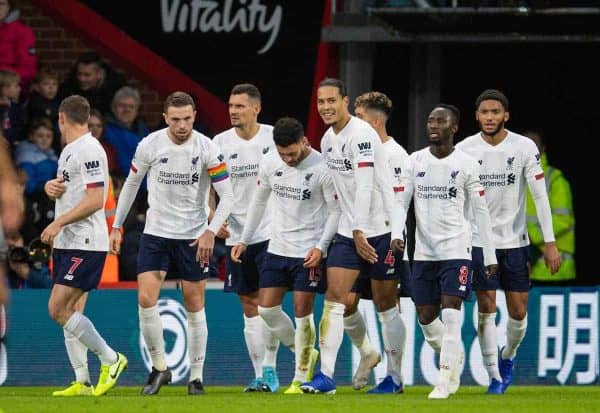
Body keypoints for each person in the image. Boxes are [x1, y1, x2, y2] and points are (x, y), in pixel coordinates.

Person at [109, 91, 234, 395]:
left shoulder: (207, 147)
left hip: (193, 237)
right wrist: (116, 225)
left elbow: (228, 195)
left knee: (194, 305)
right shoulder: (149, 144)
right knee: (146, 299)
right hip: (156, 234)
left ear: (194, 116)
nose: (182, 125)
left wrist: (210, 230)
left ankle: (196, 376)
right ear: (165, 118)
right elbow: (131, 187)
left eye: (187, 119)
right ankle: (160, 368)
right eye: (175, 119)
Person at [300, 78, 404, 395]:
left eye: (332, 100)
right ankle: (327, 377)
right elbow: (337, 190)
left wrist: (361, 228)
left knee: (386, 305)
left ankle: (395, 378)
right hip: (349, 230)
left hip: (381, 228)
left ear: (345, 101)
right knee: (335, 298)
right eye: (321, 102)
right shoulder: (328, 139)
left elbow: (365, 184)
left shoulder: (361, 135)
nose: (326, 107)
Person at [456, 89, 561, 394]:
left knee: (518, 312)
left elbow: (540, 197)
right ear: (477, 116)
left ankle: (508, 356)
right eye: (484, 113)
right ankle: (494, 377)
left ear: (506, 116)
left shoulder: (524, 147)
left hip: (515, 242)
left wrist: (550, 242)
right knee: (486, 307)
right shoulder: (464, 150)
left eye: (495, 112)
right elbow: (460, 200)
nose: (490, 117)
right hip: (478, 241)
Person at [231, 117, 340, 394]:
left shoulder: (322, 168)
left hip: (308, 251)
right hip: (277, 248)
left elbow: (336, 212)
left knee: (303, 311)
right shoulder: (270, 162)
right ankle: (304, 351)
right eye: (283, 154)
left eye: (292, 153)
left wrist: (321, 247)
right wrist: (244, 238)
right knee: (266, 309)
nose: (288, 159)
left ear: (304, 141)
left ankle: (299, 378)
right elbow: (259, 200)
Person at [395, 104, 497, 399]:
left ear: (454, 127)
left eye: (441, 121)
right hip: (424, 252)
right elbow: (401, 202)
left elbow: (480, 213)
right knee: (426, 318)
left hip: (457, 249)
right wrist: (396, 234)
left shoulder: (466, 164)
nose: (433, 125)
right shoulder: (415, 161)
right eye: (430, 120)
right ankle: (455, 359)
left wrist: (488, 255)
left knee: (452, 314)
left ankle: (443, 379)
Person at [42, 95, 127, 397]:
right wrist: (51, 188)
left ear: (62, 118)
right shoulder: (69, 151)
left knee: (57, 308)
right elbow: (73, 190)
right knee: (70, 311)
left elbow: (94, 200)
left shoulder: (91, 150)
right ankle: (82, 380)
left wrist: (58, 222)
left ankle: (111, 359)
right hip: (69, 242)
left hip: (86, 242)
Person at [212, 83, 281, 392]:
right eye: (230, 105)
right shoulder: (219, 143)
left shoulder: (273, 137)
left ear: (256, 108)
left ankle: (272, 369)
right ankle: (261, 375)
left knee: (268, 304)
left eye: (240, 106)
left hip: (271, 232)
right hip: (237, 235)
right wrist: (214, 220)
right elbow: (207, 186)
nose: (233, 111)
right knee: (248, 305)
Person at [341, 91, 411, 394]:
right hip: (353, 236)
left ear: (376, 121)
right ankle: (368, 353)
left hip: (383, 237)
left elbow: (399, 201)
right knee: (344, 303)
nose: (354, 123)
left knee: (386, 306)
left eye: (359, 117)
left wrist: (397, 237)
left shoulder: (396, 155)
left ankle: (394, 377)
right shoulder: (352, 147)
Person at [524, 130, 575, 284]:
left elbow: (563, 220)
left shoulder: (555, 180)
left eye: (534, 145)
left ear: (543, 149)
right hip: (521, 271)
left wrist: (531, 237)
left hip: (553, 272)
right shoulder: (513, 180)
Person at [58, 51, 126, 116]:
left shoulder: (116, 86)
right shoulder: (71, 82)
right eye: (79, 74)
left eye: (87, 75)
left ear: (99, 74)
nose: (82, 79)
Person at [103, 86, 149, 180]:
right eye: (122, 106)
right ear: (113, 107)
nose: (126, 110)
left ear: (136, 111)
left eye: (131, 107)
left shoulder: (144, 131)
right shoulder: (104, 130)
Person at [0, 0, 36, 93]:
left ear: (9, 6)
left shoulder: (22, 32)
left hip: (9, 87)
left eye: (1, 3)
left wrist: (4, 78)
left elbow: (28, 70)